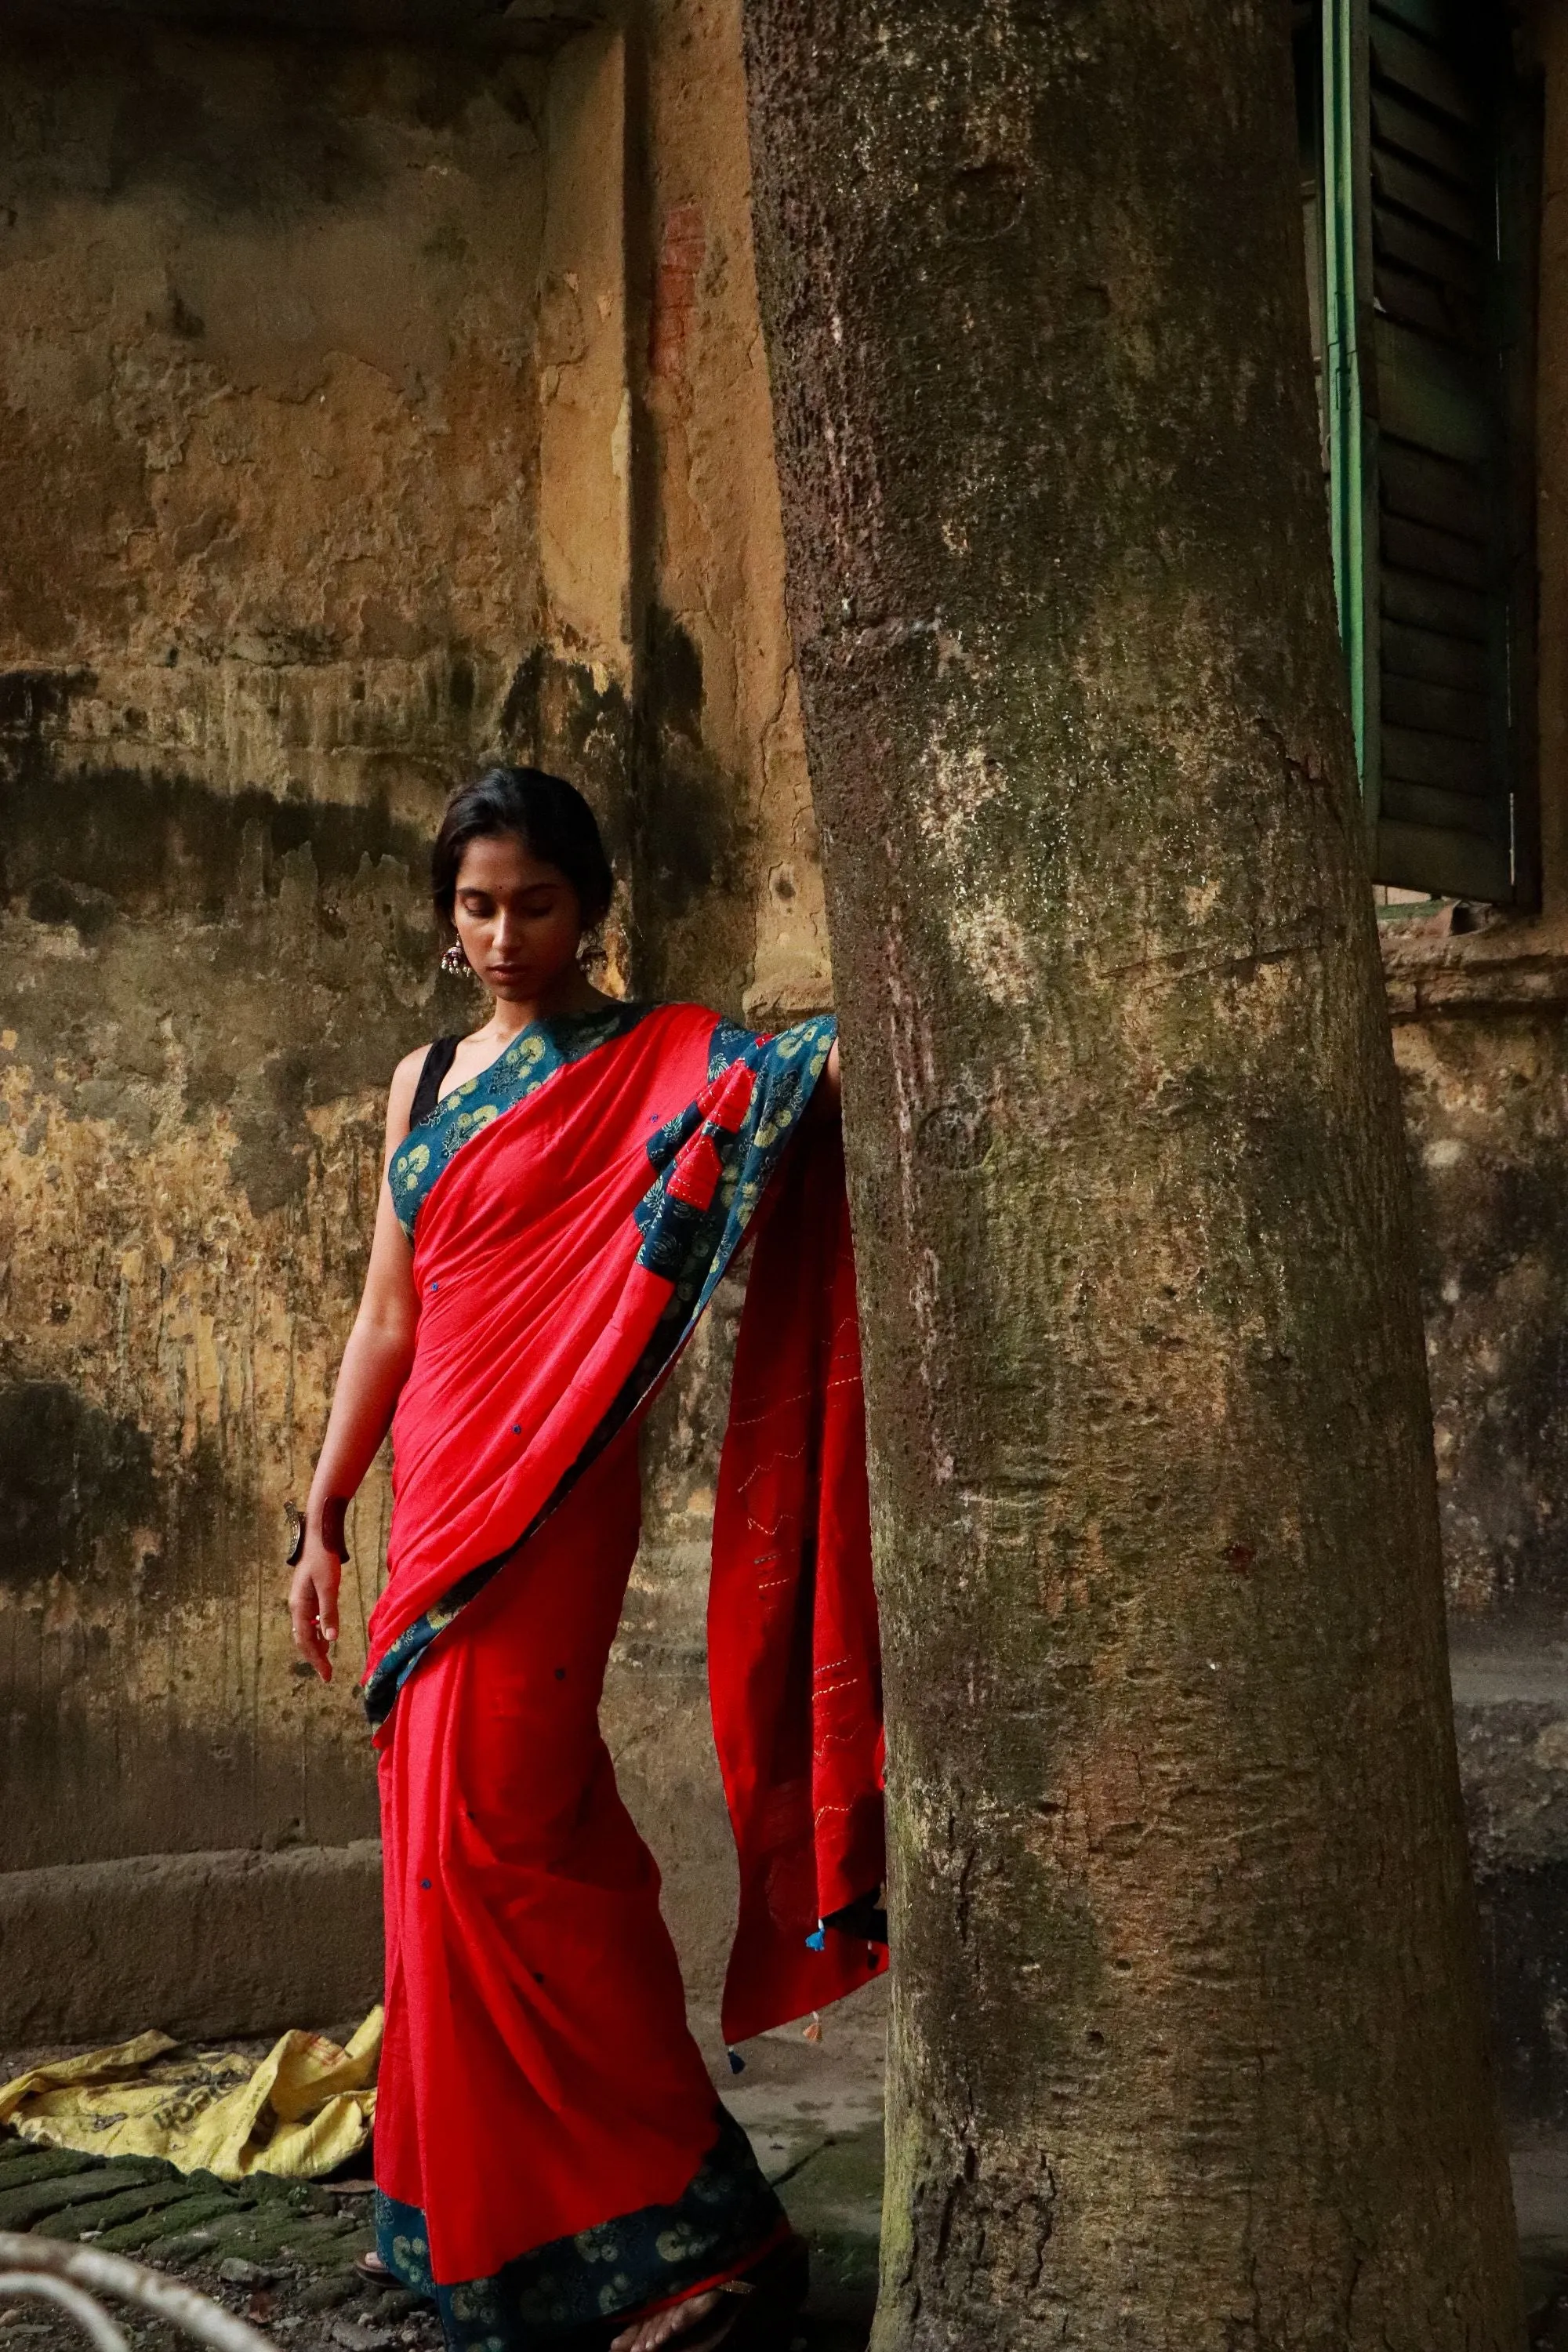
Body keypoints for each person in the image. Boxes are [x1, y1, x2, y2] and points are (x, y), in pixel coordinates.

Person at [288, 767, 884, 2352]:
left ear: (589, 906)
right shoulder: (419, 1087)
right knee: (443, 1854)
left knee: (500, 1841)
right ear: (444, 912)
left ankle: (700, 2238)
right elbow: (388, 1317)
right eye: (476, 906)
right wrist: (324, 1507)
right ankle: (475, 2223)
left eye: (534, 905)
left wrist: (839, 1048)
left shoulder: (650, 1056)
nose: (503, 936)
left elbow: (777, 1082)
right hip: (438, 1494)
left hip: (554, 1487)